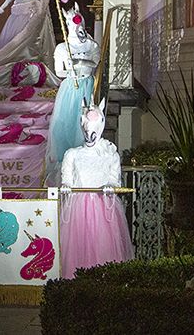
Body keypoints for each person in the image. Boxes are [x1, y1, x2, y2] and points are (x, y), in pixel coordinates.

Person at [59, 98, 134, 278]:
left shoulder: (110, 154)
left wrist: (110, 186)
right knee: (78, 247)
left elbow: (114, 179)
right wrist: (67, 186)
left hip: (103, 208)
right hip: (78, 209)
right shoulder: (72, 155)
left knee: (103, 245)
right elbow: (67, 179)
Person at [46, 3, 100, 180]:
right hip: (70, 89)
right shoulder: (62, 49)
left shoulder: (92, 46)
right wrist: (69, 69)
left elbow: (95, 64)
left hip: (86, 86)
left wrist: (79, 64)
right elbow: (59, 72)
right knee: (64, 123)